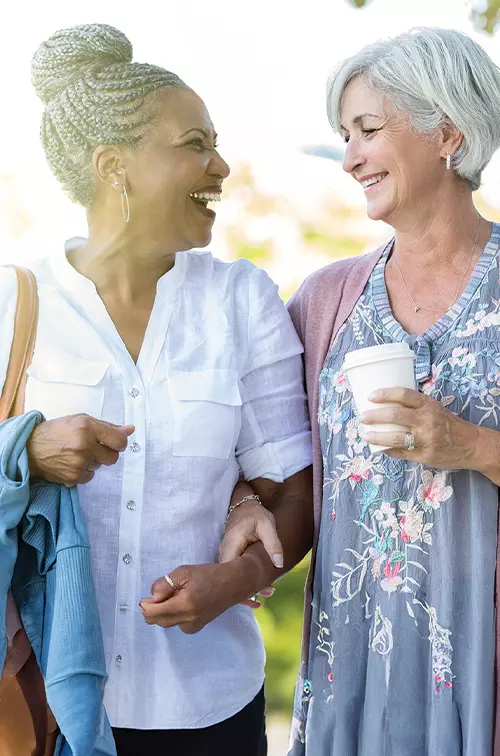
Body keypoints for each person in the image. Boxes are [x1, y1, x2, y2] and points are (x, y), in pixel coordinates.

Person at [0, 23, 314, 756]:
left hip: (211, 706)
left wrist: (236, 580)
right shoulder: (14, 305)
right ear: (114, 166)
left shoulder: (241, 299)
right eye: (194, 145)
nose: (222, 165)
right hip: (43, 706)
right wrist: (24, 449)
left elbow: (294, 493)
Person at [282, 27, 500, 756]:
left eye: (368, 130)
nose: (349, 159)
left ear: (449, 131)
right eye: (345, 136)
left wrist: (467, 444)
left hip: (484, 664)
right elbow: (273, 461)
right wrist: (251, 507)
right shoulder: (323, 301)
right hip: (355, 670)